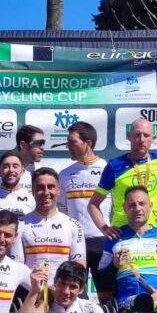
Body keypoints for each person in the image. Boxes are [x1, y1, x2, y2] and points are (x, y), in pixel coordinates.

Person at [89, 117, 157, 238]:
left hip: (154, 233)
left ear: (153, 138)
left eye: (146, 135)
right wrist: (104, 228)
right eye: (137, 135)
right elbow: (93, 204)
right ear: (129, 137)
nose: (141, 139)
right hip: (122, 234)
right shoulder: (114, 166)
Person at [98, 187, 157, 312]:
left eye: (142, 203)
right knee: (142, 302)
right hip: (125, 303)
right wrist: (114, 265)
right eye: (132, 205)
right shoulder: (114, 237)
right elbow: (101, 278)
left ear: (150, 206)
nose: (137, 208)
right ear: (125, 208)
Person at [58, 121, 108, 293]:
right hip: (77, 242)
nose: (68, 146)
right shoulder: (64, 174)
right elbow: (62, 209)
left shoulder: (107, 169)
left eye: (72, 142)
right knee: (76, 294)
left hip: (103, 240)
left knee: (106, 294)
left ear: (88, 143)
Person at [11, 168, 86, 284]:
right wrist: (36, 288)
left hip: (63, 291)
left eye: (51, 187)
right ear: (32, 191)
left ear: (59, 190)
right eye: (40, 188)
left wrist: (58, 290)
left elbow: (79, 266)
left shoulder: (74, 225)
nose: (46, 192)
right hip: (31, 290)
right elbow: (17, 267)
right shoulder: (20, 225)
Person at [20, 260, 103, 313]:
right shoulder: (43, 305)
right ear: (55, 282)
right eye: (62, 284)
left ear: (81, 289)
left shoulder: (91, 310)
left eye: (73, 286)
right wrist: (34, 290)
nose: (65, 291)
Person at [0, 124, 43, 192]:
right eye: (38, 143)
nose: (42, 148)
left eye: (43, 143)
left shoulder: (41, 171)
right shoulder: (2, 171)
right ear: (23, 145)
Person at [0, 150, 34, 216]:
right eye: (6, 167)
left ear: (22, 172)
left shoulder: (32, 198)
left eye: (15, 166)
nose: (11, 170)